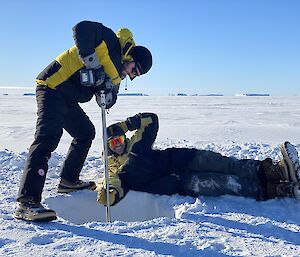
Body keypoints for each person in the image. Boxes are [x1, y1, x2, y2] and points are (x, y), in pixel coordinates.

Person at [15, 21, 153, 222]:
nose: (132, 76)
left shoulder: (115, 72)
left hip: (67, 98)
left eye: (135, 76)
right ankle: (26, 202)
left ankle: (68, 181)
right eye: (135, 70)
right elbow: (81, 28)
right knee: (47, 138)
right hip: (52, 86)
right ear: (131, 57)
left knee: (85, 133)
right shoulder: (110, 42)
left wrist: (105, 95)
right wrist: (91, 61)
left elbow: (107, 98)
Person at [97, 113, 300, 206]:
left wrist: (126, 124)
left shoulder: (136, 145)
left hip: (184, 159)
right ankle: (280, 190)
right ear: (107, 147)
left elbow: (151, 120)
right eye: (113, 143)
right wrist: (110, 192)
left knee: (227, 164)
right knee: (225, 183)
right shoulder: (114, 169)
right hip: (179, 183)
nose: (118, 144)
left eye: (119, 139)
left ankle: (278, 171)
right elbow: (112, 181)